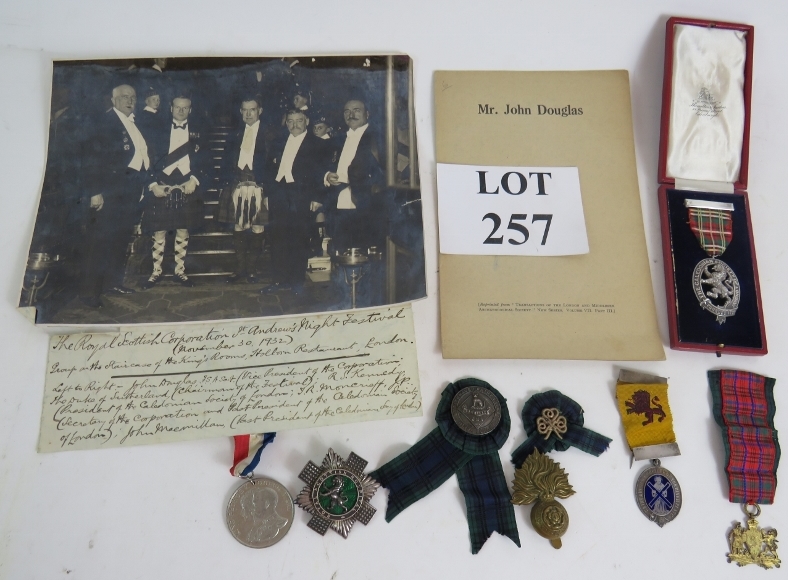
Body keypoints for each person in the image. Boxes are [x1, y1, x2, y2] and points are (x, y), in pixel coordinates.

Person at [79, 83, 150, 308]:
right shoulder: (105, 122)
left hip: (129, 192)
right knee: (100, 243)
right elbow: (91, 158)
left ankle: (112, 283)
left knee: (119, 241)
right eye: (124, 97)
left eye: (133, 96)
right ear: (113, 100)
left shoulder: (134, 123)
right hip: (109, 193)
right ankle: (90, 294)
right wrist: (95, 191)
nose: (129, 100)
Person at [140, 95, 206, 289]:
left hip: (187, 184)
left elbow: (206, 160)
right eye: (177, 107)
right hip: (162, 184)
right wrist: (152, 184)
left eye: (185, 108)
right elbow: (146, 158)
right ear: (170, 108)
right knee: (159, 230)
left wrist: (195, 180)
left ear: (191, 110)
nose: (181, 111)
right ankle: (156, 272)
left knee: (183, 229)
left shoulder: (199, 132)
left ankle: (180, 272)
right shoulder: (156, 130)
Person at [261, 109, 327, 294]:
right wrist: (267, 194)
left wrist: (317, 197)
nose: (294, 125)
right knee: (277, 237)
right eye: (290, 121)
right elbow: (268, 169)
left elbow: (322, 172)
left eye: (299, 121)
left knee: (299, 238)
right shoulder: (278, 141)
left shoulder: (317, 144)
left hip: (302, 195)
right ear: (286, 123)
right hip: (279, 194)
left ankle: (297, 282)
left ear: (306, 120)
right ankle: (278, 280)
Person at [216, 97, 268, 283]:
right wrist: (223, 186)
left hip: (259, 183)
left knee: (257, 226)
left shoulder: (269, 133)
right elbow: (224, 160)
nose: (248, 114)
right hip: (236, 182)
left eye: (252, 110)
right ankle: (240, 269)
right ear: (240, 111)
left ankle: (252, 269)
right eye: (244, 110)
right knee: (238, 225)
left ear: (259, 111)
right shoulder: (234, 133)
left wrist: (268, 189)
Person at [324, 99, 384, 252]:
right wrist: (327, 175)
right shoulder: (337, 139)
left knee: (366, 250)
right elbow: (324, 164)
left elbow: (384, 170)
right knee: (340, 251)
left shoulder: (378, 137)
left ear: (367, 114)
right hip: (339, 202)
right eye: (347, 111)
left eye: (356, 110)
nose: (351, 115)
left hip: (366, 204)